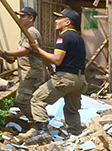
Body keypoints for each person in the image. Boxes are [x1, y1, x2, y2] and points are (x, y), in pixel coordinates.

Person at [26, 9, 88, 144]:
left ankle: (42, 131)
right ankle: (76, 136)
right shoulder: (79, 38)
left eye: (59, 18)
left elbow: (57, 59)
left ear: (68, 22)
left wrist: (37, 49)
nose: (56, 21)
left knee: (37, 99)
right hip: (79, 79)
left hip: (65, 78)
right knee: (72, 109)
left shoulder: (63, 37)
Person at [0, 7, 48, 121]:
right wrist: (7, 56)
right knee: (32, 100)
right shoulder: (26, 32)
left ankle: (38, 123)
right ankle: (39, 123)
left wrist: (5, 52)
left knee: (22, 100)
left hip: (32, 72)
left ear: (31, 18)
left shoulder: (31, 32)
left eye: (22, 16)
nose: (19, 19)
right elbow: (22, 53)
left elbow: (24, 51)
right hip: (29, 72)